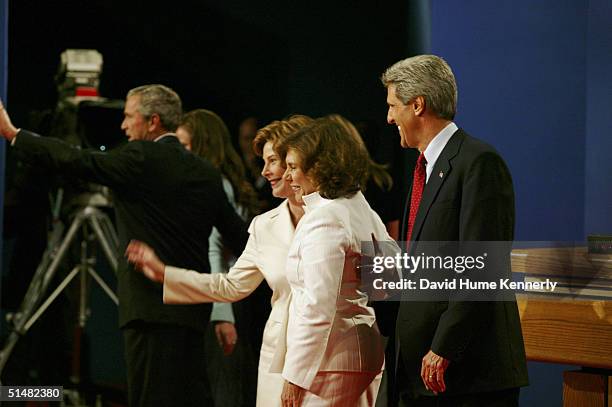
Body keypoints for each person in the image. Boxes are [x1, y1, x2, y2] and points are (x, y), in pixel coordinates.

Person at [0, 85, 248, 407]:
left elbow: (77, 160)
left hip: (148, 313)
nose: (123, 126)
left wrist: (14, 134)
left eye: (129, 117)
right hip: (192, 313)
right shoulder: (207, 173)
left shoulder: (139, 158)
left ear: (153, 121)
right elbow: (240, 238)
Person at [125, 115, 312, 406]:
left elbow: (387, 284)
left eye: (274, 161)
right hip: (279, 357)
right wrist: (164, 273)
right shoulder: (266, 225)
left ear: (298, 160)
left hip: (335, 360)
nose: (265, 172)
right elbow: (230, 284)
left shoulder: (344, 210)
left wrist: (406, 338)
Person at [381, 55, 528, 406]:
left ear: (418, 105)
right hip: (421, 372)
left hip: (466, 373)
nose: (389, 117)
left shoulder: (478, 162)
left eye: (393, 106)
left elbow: (483, 265)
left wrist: (444, 346)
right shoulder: (424, 169)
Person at [275, 117, 396, 406]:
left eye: (293, 167)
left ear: (318, 166)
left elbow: (318, 306)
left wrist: (295, 377)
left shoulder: (326, 218)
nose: (287, 176)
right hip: (358, 347)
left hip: (334, 355)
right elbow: (392, 267)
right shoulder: (356, 204)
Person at [176, 108, 259, 406]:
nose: (179, 154)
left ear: (202, 146)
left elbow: (215, 251)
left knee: (224, 388)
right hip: (226, 298)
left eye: (184, 146)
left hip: (221, 301)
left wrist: (221, 315)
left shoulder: (214, 185)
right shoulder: (223, 182)